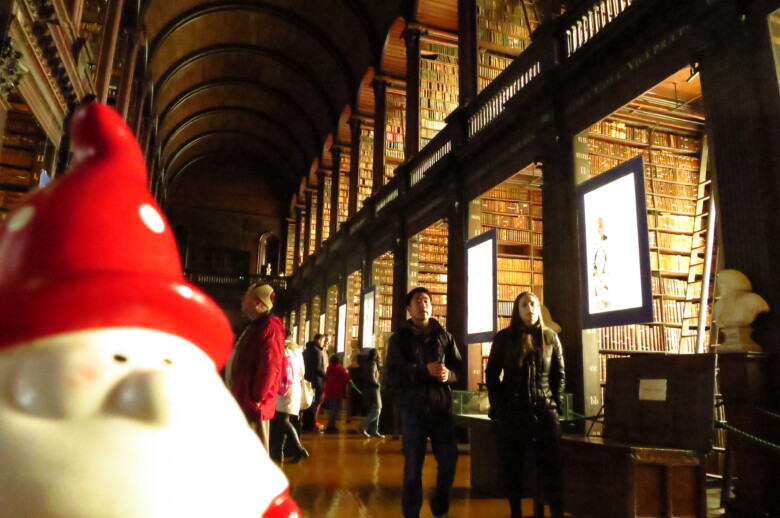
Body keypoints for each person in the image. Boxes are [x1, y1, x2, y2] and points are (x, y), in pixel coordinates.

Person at [485, 291, 566, 518]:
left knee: (552, 471)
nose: (529, 308)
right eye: (524, 305)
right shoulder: (504, 338)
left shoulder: (550, 338)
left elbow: (559, 375)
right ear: (517, 310)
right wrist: (499, 403)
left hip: (545, 413)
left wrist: (555, 404)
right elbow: (492, 373)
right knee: (514, 471)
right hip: (513, 412)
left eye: (533, 304)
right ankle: (516, 513)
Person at [385, 287, 463, 518]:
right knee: (412, 467)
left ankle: (440, 504)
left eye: (427, 300)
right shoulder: (399, 339)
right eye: (417, 301)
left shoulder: (445, 336)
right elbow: (392, 375)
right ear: (409, 308)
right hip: (413, 409)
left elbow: (459, 369)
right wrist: (422, 371)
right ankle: (411, 513)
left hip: (441, 408)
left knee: (449, 460)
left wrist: (450, 374)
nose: (423, 304)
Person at [226, 283, 285, 452]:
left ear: (259, 303)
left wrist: (257, 400)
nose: (243, 299)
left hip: (253, 405)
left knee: (255, 452)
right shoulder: (254, 326)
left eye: (248, 296)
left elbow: (270, 365)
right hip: (244, 399)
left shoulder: (269, 327)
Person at [271, 333, 310, 463]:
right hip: (293, 388)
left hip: (282, 389)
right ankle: (280, 453)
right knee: (283, 420)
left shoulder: (282, 349)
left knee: (282, 420)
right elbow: (302, 372)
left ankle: (299, 448)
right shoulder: (298, 351)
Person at [302, 333, 327, 431]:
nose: (324, 343)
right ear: (318, 340)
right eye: (323, 341)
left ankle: (307, 423)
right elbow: (318, 367)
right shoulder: (316, 351)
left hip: (308, 379)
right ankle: (311, 424)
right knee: (315, 403)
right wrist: (326, 376)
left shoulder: (306, 350)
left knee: (310, 402)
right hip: (316, 380)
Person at [358, 348, 384, 438]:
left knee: (376, 410)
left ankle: (374, 430)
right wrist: (378, 384)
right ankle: (363, 427)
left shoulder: (367, 363)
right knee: (377, 410)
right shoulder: (372, 364)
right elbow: (372, 378)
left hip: (370, 389)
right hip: (373, 389)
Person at [323, 354, 350, 433]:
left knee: (332, 408)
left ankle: (331, 425)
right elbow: (346, 379)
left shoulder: (329, 369)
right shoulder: (340, 369)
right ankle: (331, 425)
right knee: (336, 409)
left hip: (329, 390)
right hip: (337, 391)